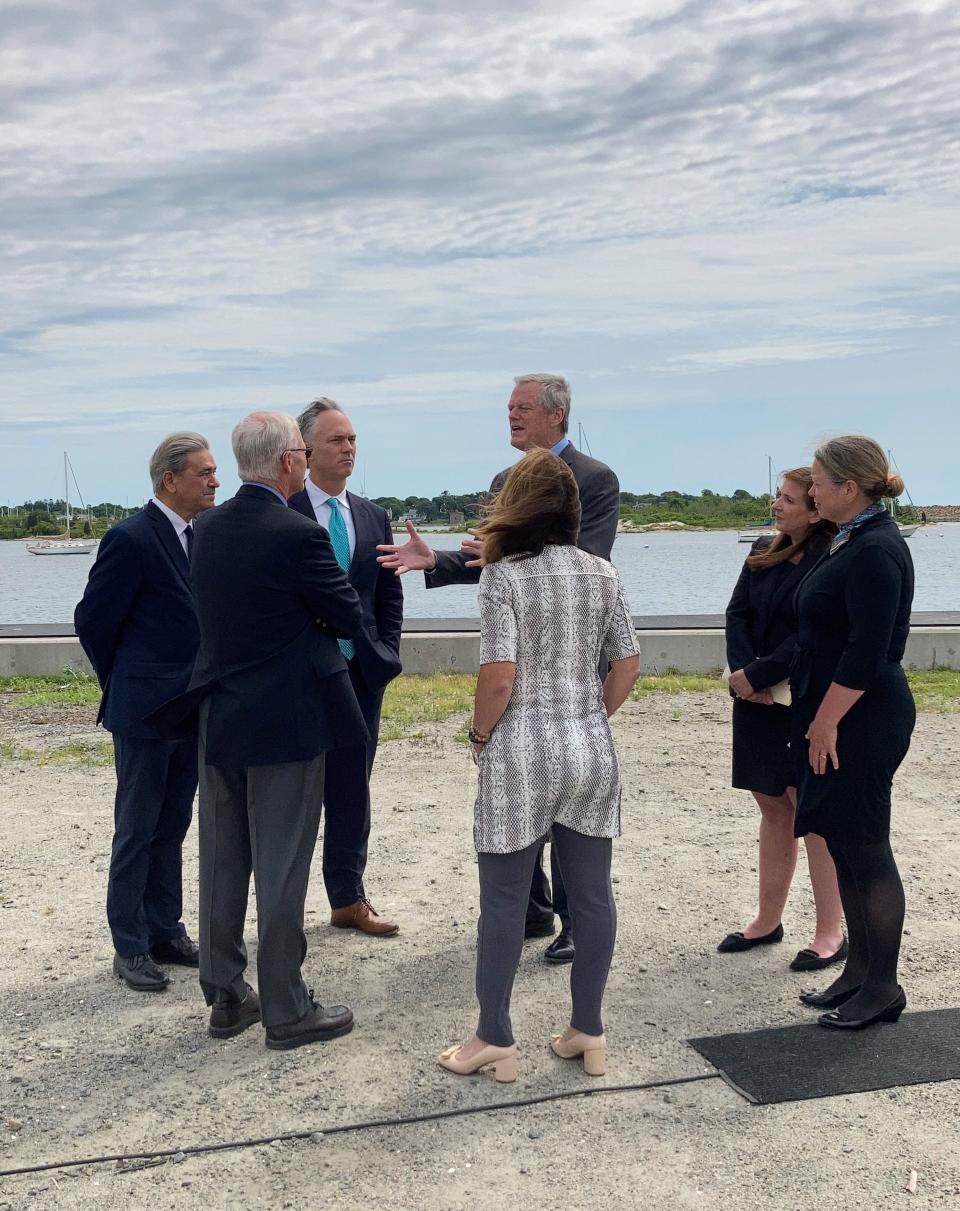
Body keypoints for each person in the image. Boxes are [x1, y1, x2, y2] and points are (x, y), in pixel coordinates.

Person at [377, 373, 620, 965]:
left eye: (523, 407)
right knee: (517, 785)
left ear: (556, 414)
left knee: (567, 790)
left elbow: (580, 559)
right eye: (508, 407)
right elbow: (492, 559)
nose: (511, 416)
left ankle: (571, 919)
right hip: (515, 646)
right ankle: (532, 909)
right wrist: (435, 558)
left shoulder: (595, 479)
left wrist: (492, 551)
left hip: (563, 657)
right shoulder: (501, 481)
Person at [153, 412, 366, 1048]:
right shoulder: (298, 533)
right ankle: (285, 1006)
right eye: (301, 452)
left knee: (222, 857)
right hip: (288, 720)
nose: (304, 460)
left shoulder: (207, 529)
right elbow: (347, 613)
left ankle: (225, 995)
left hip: (219, 712)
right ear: (286, 464)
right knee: (281, 864)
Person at [436, 448, 640, 1082]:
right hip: (588, 749)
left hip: (522, 748)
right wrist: (589, 713)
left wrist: (478, 733)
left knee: (502, 901)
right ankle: (588, 1030)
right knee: (592, 894)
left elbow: (499, 676)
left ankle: (494, 1036)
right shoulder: (602, 573)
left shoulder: (504, 577)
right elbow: (628, 664)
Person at [75, 432, 219, 992]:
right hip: (143, 710)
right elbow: (94, 620)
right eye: (204, 472)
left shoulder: (203, 534)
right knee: (136, 827)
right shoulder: (130, 538)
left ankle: (165, 929)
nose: (215, 481)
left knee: (174, 824)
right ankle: (129, 945)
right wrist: (126, 680)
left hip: (190, 708)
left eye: (214, 471)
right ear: (170, 480)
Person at [792, 436, 915, 1031]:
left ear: (848, 486)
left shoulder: (876, 550)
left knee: (867, 846)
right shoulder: (851, 540)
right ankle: (858, 971)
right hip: (839, 715)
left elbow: (869, 653)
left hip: (861, 717)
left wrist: (825, 719)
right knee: (842, 841)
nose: (810, 490)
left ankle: (883, 985)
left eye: (817, 481)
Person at [719, 468, 844, 970]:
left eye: (788, 499)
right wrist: (746, 675)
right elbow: (736, 615)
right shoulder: (763, 550)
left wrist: (764, 674)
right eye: (777, 496)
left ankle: (829, 931)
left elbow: (815, 634)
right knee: (771, 806)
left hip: (800, 699)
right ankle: (767, 919)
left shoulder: (829, 558)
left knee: (812, 815)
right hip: (755, 699)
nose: (776, 505)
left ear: (815, 509)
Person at [288, 398, 403, 937]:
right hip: (302, 678)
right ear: (306, 449)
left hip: (361, 675)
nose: (349, 448)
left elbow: (388, 594)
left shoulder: (372, 515)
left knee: (353, 789)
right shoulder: (283, 511)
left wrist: (386, 653)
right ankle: (283, 908)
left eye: (353, 439)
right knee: (296, 791)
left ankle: (348, 897)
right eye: (337, 440)